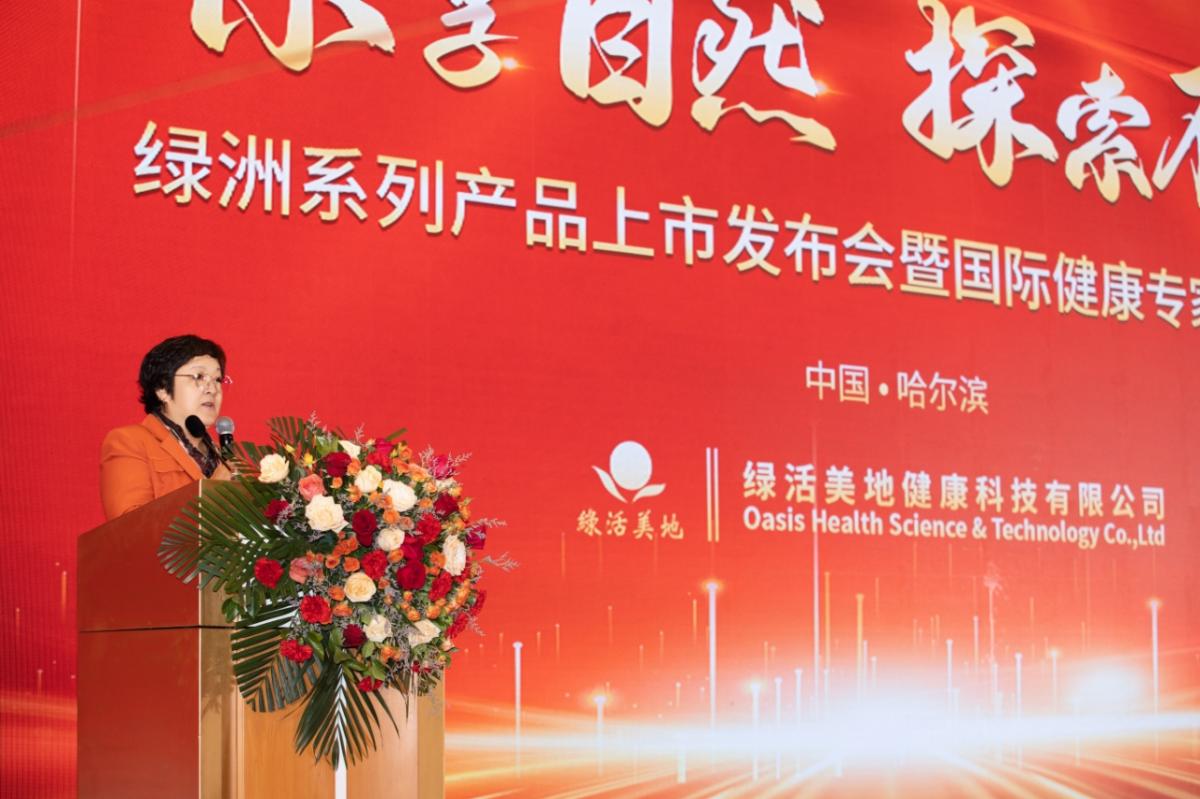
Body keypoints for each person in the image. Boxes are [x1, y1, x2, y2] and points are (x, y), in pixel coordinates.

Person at [100, 334, 233, 519]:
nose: (212, 389)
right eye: (199, 376)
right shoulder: (130, 442)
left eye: (218, 379)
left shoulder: (223, 458)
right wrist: (212, 493)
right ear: (162, 389)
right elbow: (129, 525)